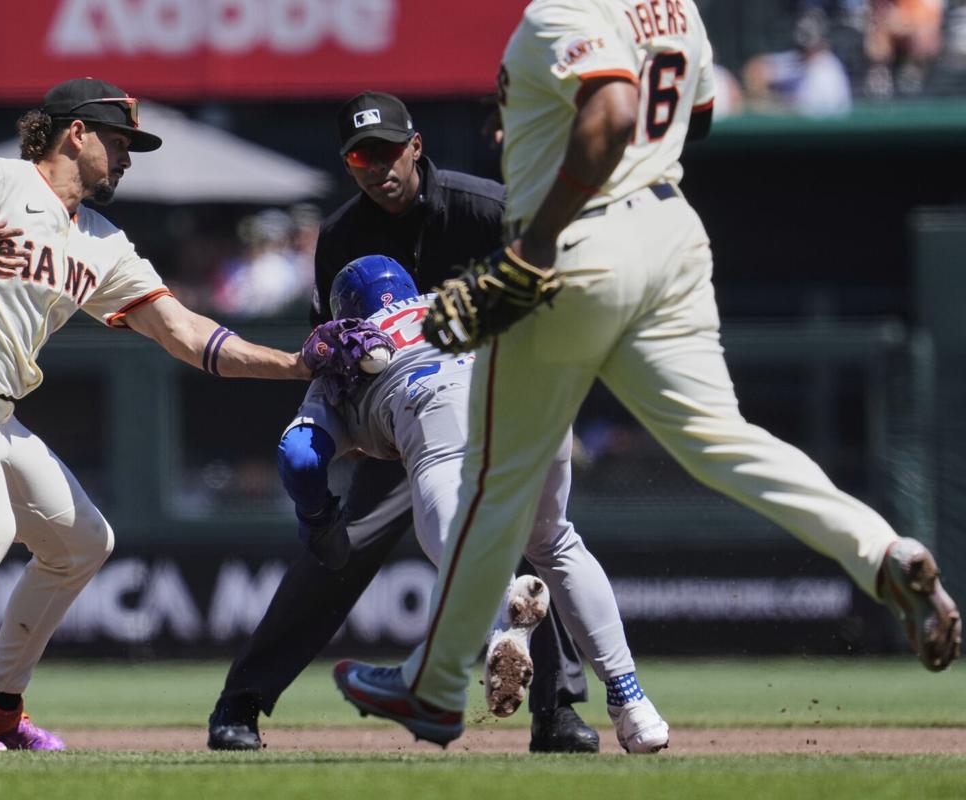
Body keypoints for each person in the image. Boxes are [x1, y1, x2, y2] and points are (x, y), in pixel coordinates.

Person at [335, 0, 961, 747]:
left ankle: (433, 686)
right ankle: (882, 552)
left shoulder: (561, 11)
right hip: (670, 235)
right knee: (723, 441)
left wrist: (534, 243)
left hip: (575, 241)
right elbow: (691, 116)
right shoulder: (675, 10)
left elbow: (611, 110)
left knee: (498, 479)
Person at [0, 77, 364, 752]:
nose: (126, 157)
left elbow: (185, 333)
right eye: (118, 141)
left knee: (83, 544)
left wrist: (296, 363)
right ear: (76, 133)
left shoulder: (100, 242)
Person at [208, 91, 603, 754]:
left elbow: (558, 298)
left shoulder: (486, 209)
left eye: (389, 150)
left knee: (531, 542)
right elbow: (327, 344)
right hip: (395, 421)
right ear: (347, 160)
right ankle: (240, 703)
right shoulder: (341, 237)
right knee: (335, 551)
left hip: (490, 407)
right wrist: (349, 420)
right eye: (362, 154)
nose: (377, 165)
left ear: (415, 146)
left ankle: (557, 710)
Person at [308, 256, 669, 750]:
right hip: (536, 399)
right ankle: (634, 707)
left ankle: (504, 610)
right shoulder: (452, 298)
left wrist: (318, 515)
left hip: (441, 421)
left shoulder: (347, 348)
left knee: (461, 550)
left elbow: (299, 456)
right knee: (556, 540)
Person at [742, 8, 853, 116]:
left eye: (813, 47)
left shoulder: (827, 72)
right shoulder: (800, 58)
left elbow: (800, 112)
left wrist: (768, 103)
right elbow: (756, 68)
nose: (807, 51)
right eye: (803, 48)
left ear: (824, 44)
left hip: (827, 131)